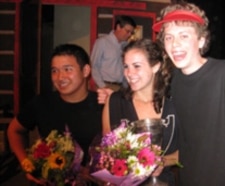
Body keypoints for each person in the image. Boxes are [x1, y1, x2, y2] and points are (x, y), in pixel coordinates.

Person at [151, 2, 225, 186]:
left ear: (201, 41)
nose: (175, 44)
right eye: (169, 37)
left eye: (184, 36)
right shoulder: (176, 81)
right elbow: (188, 143)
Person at [7, 44, 103, 185]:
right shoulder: (42, 103)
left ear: (85, 71)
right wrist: (26, 163)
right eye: (54, 71)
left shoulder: (103, 105)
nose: (60, 77)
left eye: (67, 69)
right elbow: (14, 130)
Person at [102, 38, 179, 186]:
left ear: (155, 66)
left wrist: (164, 161)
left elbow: (191, 149)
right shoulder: (114, 102)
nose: (129, 73)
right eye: (126, 66)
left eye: (137, 66)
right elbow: (107, 153)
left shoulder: (174, 103)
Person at [90, 15, 136, 91]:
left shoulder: (126, 46)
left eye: (131, 33)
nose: (129, 35)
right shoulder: (102, 42)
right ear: (118, 27)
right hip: (106, 85)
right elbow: (94, 66)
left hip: (121, 88)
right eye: (127, 31)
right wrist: (103, 86)